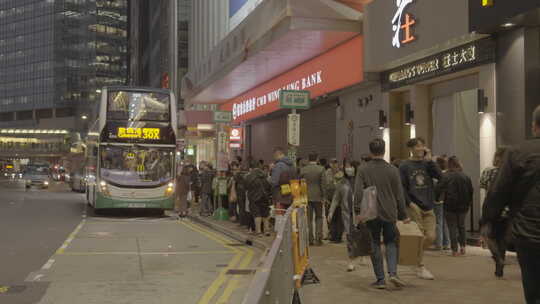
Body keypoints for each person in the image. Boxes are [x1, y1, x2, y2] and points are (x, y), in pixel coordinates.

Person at [483, 106, 540, 304]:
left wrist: (488, 220)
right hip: (528, 229)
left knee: (533, 287)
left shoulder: (517, 153)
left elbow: (498, 191)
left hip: (529, 231)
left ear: (534, 127)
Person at [355, 138, 409, 289]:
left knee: (374, 244)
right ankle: (393, 273)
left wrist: (358, 211)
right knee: (391, 242)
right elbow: (399, 194)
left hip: (370, 212)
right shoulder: (393, 170)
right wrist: (404, 215)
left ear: (370, 151)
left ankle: (380, 280)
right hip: (390, 211)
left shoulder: (363, 169)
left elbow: (358, 192)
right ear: (384, 150)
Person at [399, 137, 442, 280]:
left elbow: (440, 176)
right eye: (417, 146)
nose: (420, 148)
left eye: (422, 146)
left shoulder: (427, 164)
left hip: (428, 205)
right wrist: (409, 203)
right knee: (419, 237)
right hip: (413, 205)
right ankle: (420, 266)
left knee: (431, 237)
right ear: (411, 149)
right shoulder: (405, 165)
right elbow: (402, 187)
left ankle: (411, 255)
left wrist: (430, 160)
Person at [435, 156, 473, 257]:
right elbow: (471, 191)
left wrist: (437, 198)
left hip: (449, 205)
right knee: (462, 226)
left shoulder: (446, 176)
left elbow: (438, 188)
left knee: (452, 227)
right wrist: (468, 203)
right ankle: (463, 247)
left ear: (449, 164)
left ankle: (454, 250)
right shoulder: (466, 176)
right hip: (463, 206)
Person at [300, 152, 326, 246]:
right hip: (318, 196)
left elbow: (300, 183)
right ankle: (318, 239)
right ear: (317, 159)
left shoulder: (303, 170)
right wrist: (324, 196)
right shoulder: (321, 169)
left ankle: (310, 239)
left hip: (306, 197)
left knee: (309, 219)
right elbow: (323, 184)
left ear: (308, 159)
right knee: (319, 217)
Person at [245, 164, 272, 236]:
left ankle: (259, 232)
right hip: (264, 198)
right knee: (265, 215)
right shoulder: (264, 178)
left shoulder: (250, 178)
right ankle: (267, 231)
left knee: (257, 215)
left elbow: (246, 187)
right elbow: (269, 187)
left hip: (254, 199)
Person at [269, 147, 295, 214]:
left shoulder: (278, 165)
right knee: (288, 218)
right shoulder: (292, 165)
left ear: (277, 154)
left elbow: (274, 181)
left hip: (279, 195)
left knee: (280, 218)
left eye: (274, 156)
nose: (274, 158)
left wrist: (271, 171)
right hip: (290, 194)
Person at [434, 156, 450, 251]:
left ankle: (439, 244)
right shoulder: (448, 174)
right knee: (445, 222)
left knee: (438, 222)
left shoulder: (437, 176)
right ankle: (447, 243)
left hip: (438, 200)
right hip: (446, 200)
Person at [324, 158, 342, 242]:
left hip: (339, 199)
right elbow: (324, 185)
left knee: (338, 218)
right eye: (332, 163)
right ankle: (332, 234)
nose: (334, 165)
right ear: (330, 164)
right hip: (329, 198)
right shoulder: (326, 173)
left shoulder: (341, 173)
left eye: (335, 163)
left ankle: (338, 236)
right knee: (330, 218)